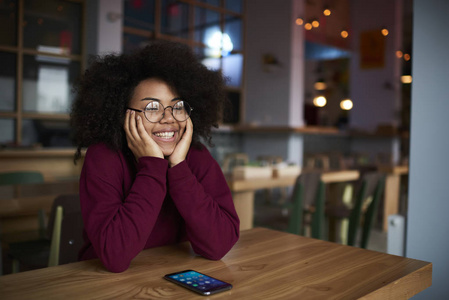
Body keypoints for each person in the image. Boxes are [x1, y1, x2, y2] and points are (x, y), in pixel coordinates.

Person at [70, 41, 240, 273]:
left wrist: (178, 168)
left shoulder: (197, 157)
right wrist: (152, 167)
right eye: (152, 107)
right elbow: (115, 257)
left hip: (172, 279)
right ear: (123, 114)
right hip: (104, 285)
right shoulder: (103, 158)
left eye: (177, 106)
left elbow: (219, 246)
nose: (168, 118)